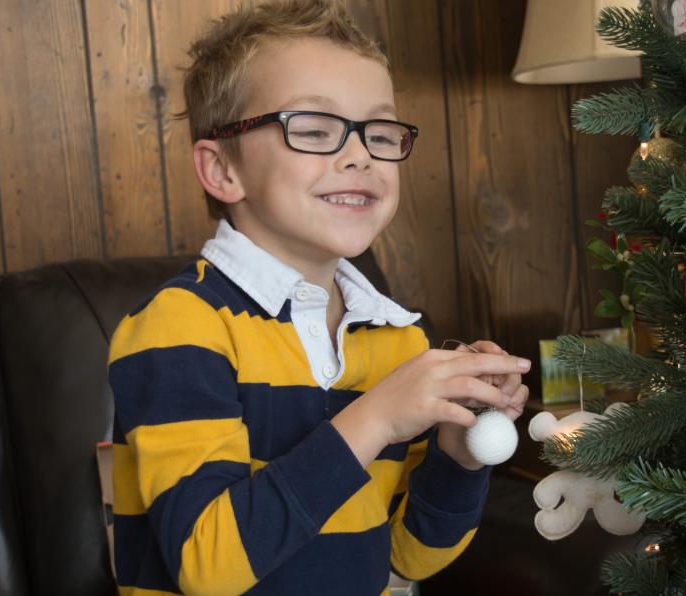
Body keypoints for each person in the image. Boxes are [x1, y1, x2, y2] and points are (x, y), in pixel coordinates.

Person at [107, 1, 530, 593]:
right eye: (312, 129)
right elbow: (207, 565)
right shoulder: (179, 327)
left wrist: (457, 457)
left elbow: (411, 557)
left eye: (380, 133)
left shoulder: (397, 340)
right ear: (223, 169)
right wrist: (377, 416)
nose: (360, 155)